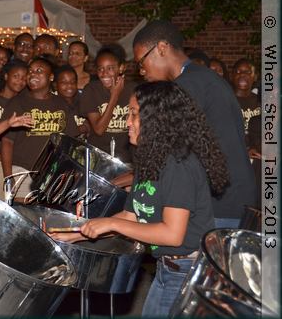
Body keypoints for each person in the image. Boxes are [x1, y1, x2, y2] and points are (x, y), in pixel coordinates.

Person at [53, 81, 227, 317]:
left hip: (187, 272)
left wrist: (111, 223)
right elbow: (131, 215)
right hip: (166, 269)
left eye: (134, 114)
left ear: (158, 119)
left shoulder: (179, 164)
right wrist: (77, 233)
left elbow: (172, 234)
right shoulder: (150, 159)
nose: (127, 123)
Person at [133, 19, 256, 228]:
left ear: (162, 48)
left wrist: (133, 181)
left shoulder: (188, 85)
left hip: (221, 202)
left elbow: (169, 151)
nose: (142, 72)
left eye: (141, 62)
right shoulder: (201, 78)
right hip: (231, 196)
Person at [2, 58, 79, 199]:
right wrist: (8, 176)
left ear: (51, 77)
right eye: (30, 71)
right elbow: (7, 142)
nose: (32, 74)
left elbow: (71, 141)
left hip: (52, 174)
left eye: (39, 71)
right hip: (22, 171)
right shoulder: (18, 102)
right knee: (26, 215)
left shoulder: (60, 103)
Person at [79, 44, 135, 163]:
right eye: (100, 69)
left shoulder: (133, 90)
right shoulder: (91, 90)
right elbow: (99, 129)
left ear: (121, 68)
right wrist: (114, 96)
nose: (104, 74)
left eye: (110, 68)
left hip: (125, 159)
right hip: (97, 158)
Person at [0, 60, 27, 197]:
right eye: (16, 76)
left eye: (23, 78)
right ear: (5, 76)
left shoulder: (23, 104)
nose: (20, 81)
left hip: (6, 161)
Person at [231, 58, 261, 136]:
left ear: (255, 77)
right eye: (238, 71)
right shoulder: (225, 100)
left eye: (248, 72)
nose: (242, 74)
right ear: (232, 76)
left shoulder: (261, 101)